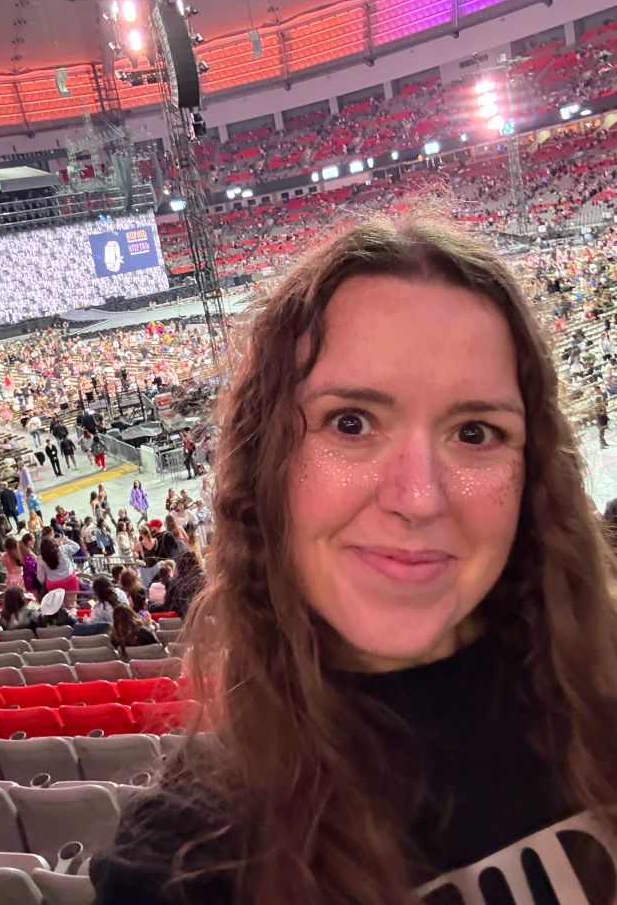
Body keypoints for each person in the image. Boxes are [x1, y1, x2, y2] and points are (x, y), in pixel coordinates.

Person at [91, 217, 617, 905]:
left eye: (474, 432)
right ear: (269, 464)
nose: (418, 498)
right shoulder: (183, 862)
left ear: (533, 472)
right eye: (351, 423)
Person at [36, 535, 81, 605]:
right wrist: (66, 540)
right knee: (72, 603)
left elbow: (40, 578)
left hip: (54, 584)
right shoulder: (63, 549)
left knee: (58, 606)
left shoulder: (40, 559)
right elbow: (76, 547)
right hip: (70, 580)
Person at [164, 550, 205, 619]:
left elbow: (167, 606)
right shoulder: (203, 579)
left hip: (179, 621)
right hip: (202, 618)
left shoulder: (174, 582)